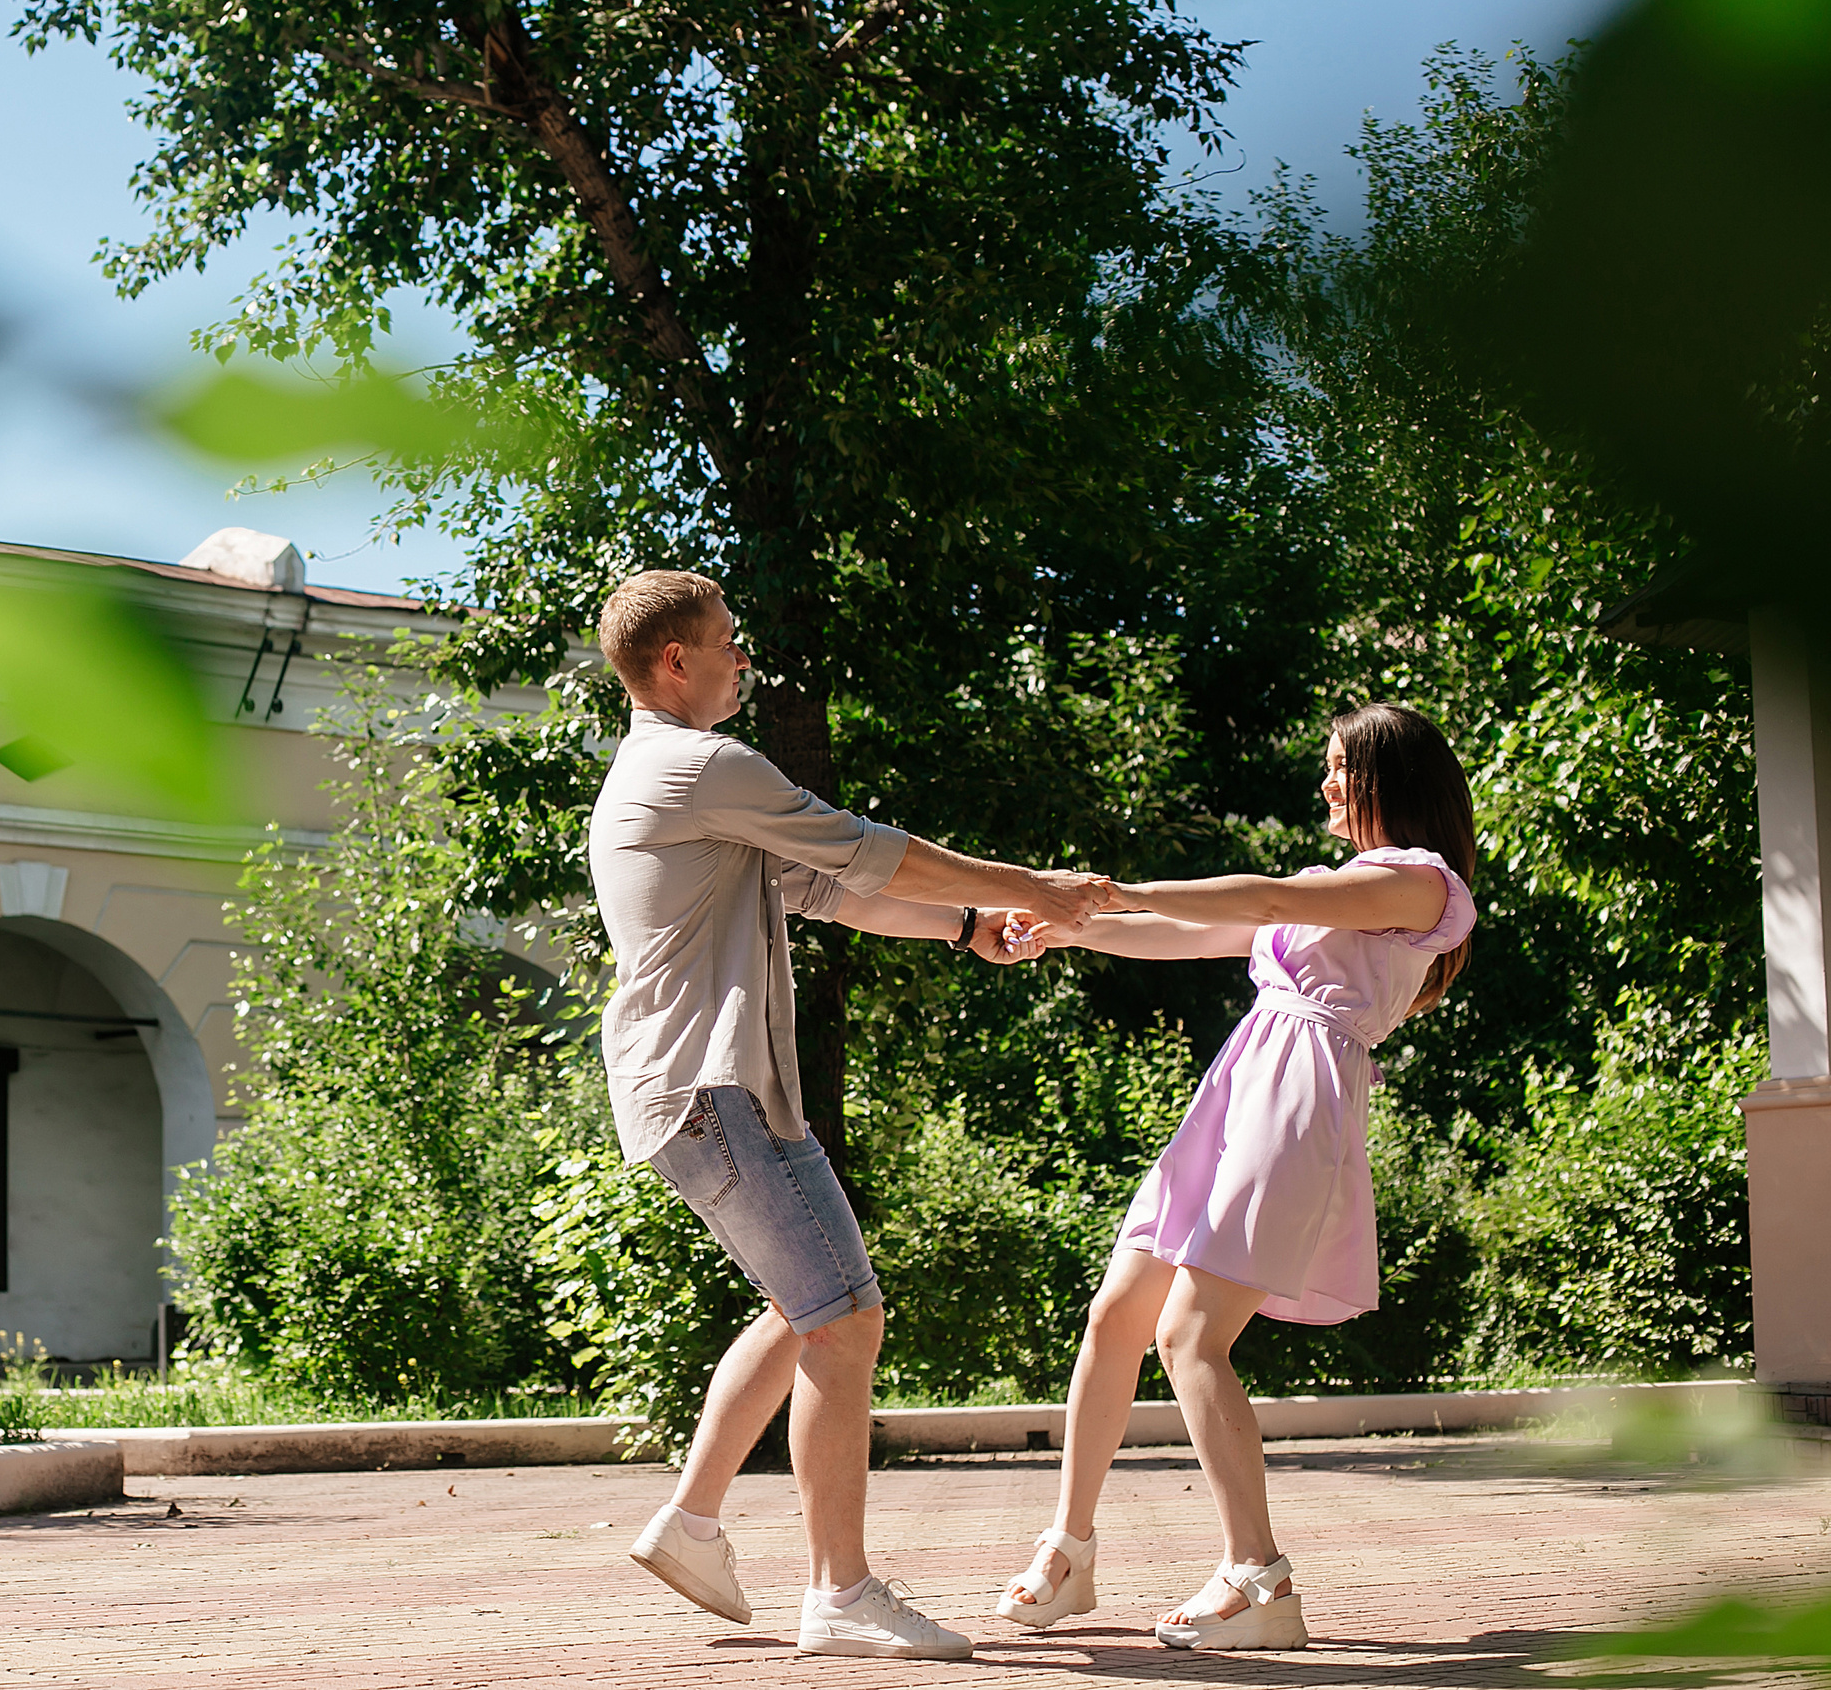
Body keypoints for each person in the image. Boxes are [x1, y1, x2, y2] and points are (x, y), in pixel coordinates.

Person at [588, 570, 1111, 1661]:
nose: (743, 659)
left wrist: (967, 923)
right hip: (710, 1085)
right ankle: (839, 1593)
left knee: (805, 1307)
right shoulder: (699, 765)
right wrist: (1038, 887)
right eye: (728, 643)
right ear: (674, 662)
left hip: (699, 1088)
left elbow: (829, 886)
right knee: (841, 1318)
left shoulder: (669, 780)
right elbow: (870, 846)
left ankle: (689, 1527)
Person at [992, 701, 1477, 1652]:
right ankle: (1069, 1549)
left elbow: (1256, 899)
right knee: (1117, 1316)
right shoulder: (1336, 890)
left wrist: (1113, 888)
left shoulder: (1420, 884)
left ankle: (1260, 1579)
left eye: (1341, 766)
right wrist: (1074, 927)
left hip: (1297, 1099)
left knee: (1191, 1336)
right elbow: (1186, 932)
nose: (1326, 783)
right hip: (1240, 1089)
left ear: (1391, 777)